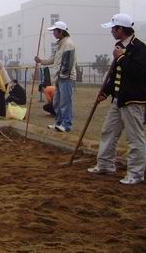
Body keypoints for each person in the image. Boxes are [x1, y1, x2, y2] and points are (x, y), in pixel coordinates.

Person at [87, 14, 146, 185]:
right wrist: (106, 92)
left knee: (134, 138)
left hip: (133, 100)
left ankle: (136, 174)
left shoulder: (140, 49)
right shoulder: (119, 46)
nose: (112, 31)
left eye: (114, 28)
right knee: (109, 131)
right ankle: (105, 164)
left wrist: (120, 57)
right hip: (118, 99)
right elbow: (115, 74)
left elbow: (138, 72)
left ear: (121, 29)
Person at [34, 21, 76, 132]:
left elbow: (68, 62)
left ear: (61, 31)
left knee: (65, 102)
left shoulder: (68, 44)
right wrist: (41, 61)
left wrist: (63, 76)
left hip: (66, 78)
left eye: (54, 31)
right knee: (57, 102)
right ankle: (58, 123)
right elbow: (53, 59)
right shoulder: (59, 44)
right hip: (58, 78)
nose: (53, 33)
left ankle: (66, 125)